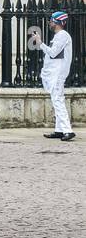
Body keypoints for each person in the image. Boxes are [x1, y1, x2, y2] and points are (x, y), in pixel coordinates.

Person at [39, 10, 75, 142]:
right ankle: (60, 130)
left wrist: (40, 43)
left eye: (51, 20)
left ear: (57, 22)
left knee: (58, 100)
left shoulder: (62, 35)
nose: (49, 23)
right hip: (55, 73)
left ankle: (68, 130)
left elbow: (53, 53)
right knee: (56, 99)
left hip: (58, 74)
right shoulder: (59, 36)